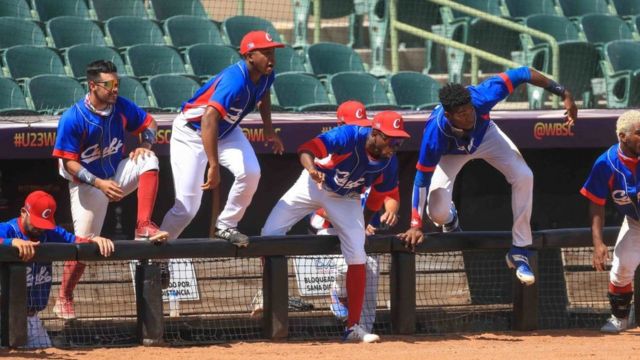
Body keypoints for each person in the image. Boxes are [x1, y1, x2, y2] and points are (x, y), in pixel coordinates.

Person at [399, 67, 578, 286]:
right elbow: (421, 179)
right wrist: (415, 223)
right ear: (448, 115)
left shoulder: (482, 97)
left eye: (469, 110)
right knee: (437, 213)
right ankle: (450, 218)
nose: (468, 115)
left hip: (486, 137)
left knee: (524, 175)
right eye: (461, 113)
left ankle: (519, 250)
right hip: (451, 152)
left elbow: (523, 73)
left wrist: (563, 92)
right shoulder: (434, 134)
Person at [261, 110, 410, 343]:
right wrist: (311, 169)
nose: (395, 144)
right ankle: (265, 295)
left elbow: (376, 198)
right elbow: (306, 148)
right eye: (391, 139)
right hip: (312, 185)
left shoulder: (389, 163)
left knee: (358, 254)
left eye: (399, 140)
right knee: (269, 234)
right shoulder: (349, 135)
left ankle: (353, 328)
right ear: (376, 134)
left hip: (345, 198)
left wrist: (363, 222)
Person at [52, 60, 167, 320]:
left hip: (114, 174)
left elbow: (150, 123)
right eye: (110, 85)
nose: (115, 89)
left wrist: (145, 145)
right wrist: (98, 183)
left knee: (149, 160)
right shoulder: (74, 117)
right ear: (93, 86)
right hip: (87, 184)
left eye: (117, 84)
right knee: (83, 246)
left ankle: (143, 225)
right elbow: (69, 163)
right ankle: (64, 296)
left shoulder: (121, 106)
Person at [159, 30, 284, 246]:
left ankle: (226, 225)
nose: (271, 57)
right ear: (249, 56)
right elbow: (209, 119)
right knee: (186, 209)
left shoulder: (267, 74)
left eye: (272, 52)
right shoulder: (234, 80)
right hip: (192, 132)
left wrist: (269, 129)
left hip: (225, 131)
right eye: (265, 52)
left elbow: (264, 95)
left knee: (251, 172)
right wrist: (214, 165)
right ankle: (153, 253)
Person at [309, 101, 399, 332]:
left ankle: (362, 328)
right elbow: (323, 205)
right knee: (347, 263)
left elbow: (390, 195)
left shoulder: (380, 160)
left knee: (370, 267)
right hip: (330, 228)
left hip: (361, 228)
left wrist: (390, 209)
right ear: (340, 125)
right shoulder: (335, 154)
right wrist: (354, 224)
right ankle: (338, 294)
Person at [0, 190, 114, 348]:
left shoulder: (50, 232)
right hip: (3, 315)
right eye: (37, 222)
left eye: (43, 223)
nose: (40, 228)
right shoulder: (8, 229)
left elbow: (75, 241)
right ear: (23, 212)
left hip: (31, 317)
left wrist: (93, 240)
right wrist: (11, 242)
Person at [581, 110, 640, 333]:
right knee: (622, 266)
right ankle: (620, 318)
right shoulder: (605, 163)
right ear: (623, 137)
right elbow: (596, 203)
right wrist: (598, 243)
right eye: (639, 133)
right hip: (636, 222)